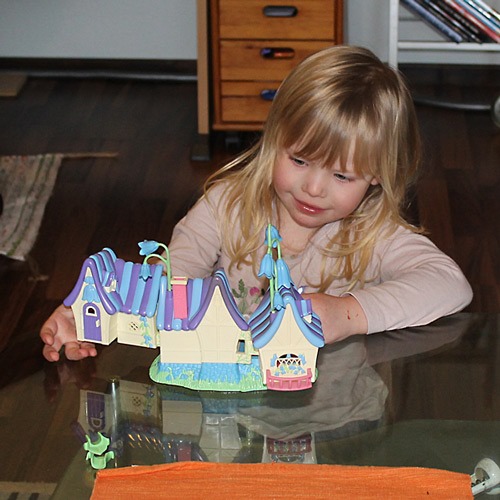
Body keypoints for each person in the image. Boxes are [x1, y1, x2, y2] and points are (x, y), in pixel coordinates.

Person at [40, 45, 473, 362]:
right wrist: (90, 315)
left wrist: (348, 314)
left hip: (337, 419)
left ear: (377, 173)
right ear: (274, 138)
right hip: (232, 409)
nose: (313, 188)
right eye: (299, 160)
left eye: (342, 176)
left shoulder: (374, 234)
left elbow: (451, 284)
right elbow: (172, 280)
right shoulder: (225, 205)